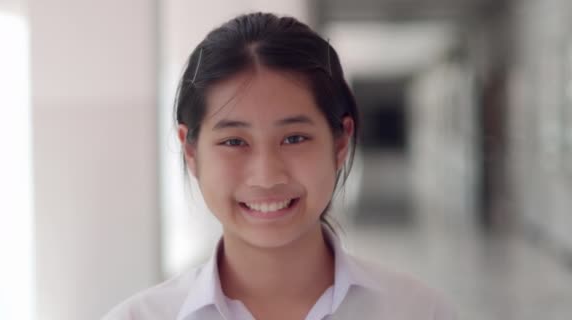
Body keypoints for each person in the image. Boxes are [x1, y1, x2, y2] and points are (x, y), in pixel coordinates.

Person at [103, 12, 456, 320]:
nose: (267, 175)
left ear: (340, 142)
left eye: (294, 138)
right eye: (233, 142)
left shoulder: (419, 311)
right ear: (191, 152)